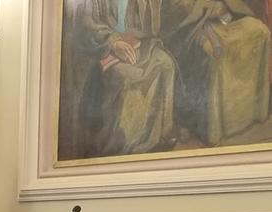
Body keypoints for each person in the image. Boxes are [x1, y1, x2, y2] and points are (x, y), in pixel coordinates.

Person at [74, 0, 177, 157]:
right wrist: (113, 41)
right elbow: (86, 22)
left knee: (166, 63)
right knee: (128, 77)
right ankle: (124, 143)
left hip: (138, 44)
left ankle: (156, 137)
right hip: (102, 47)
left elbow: (151, 28)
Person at [162, 0, 270, 146]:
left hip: (226, 13)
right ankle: (215, 128)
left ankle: (253, 113)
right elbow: (173, 8)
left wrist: (225, 7)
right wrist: (207, 7)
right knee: (213, 53)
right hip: (192, 25)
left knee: (261, 31)